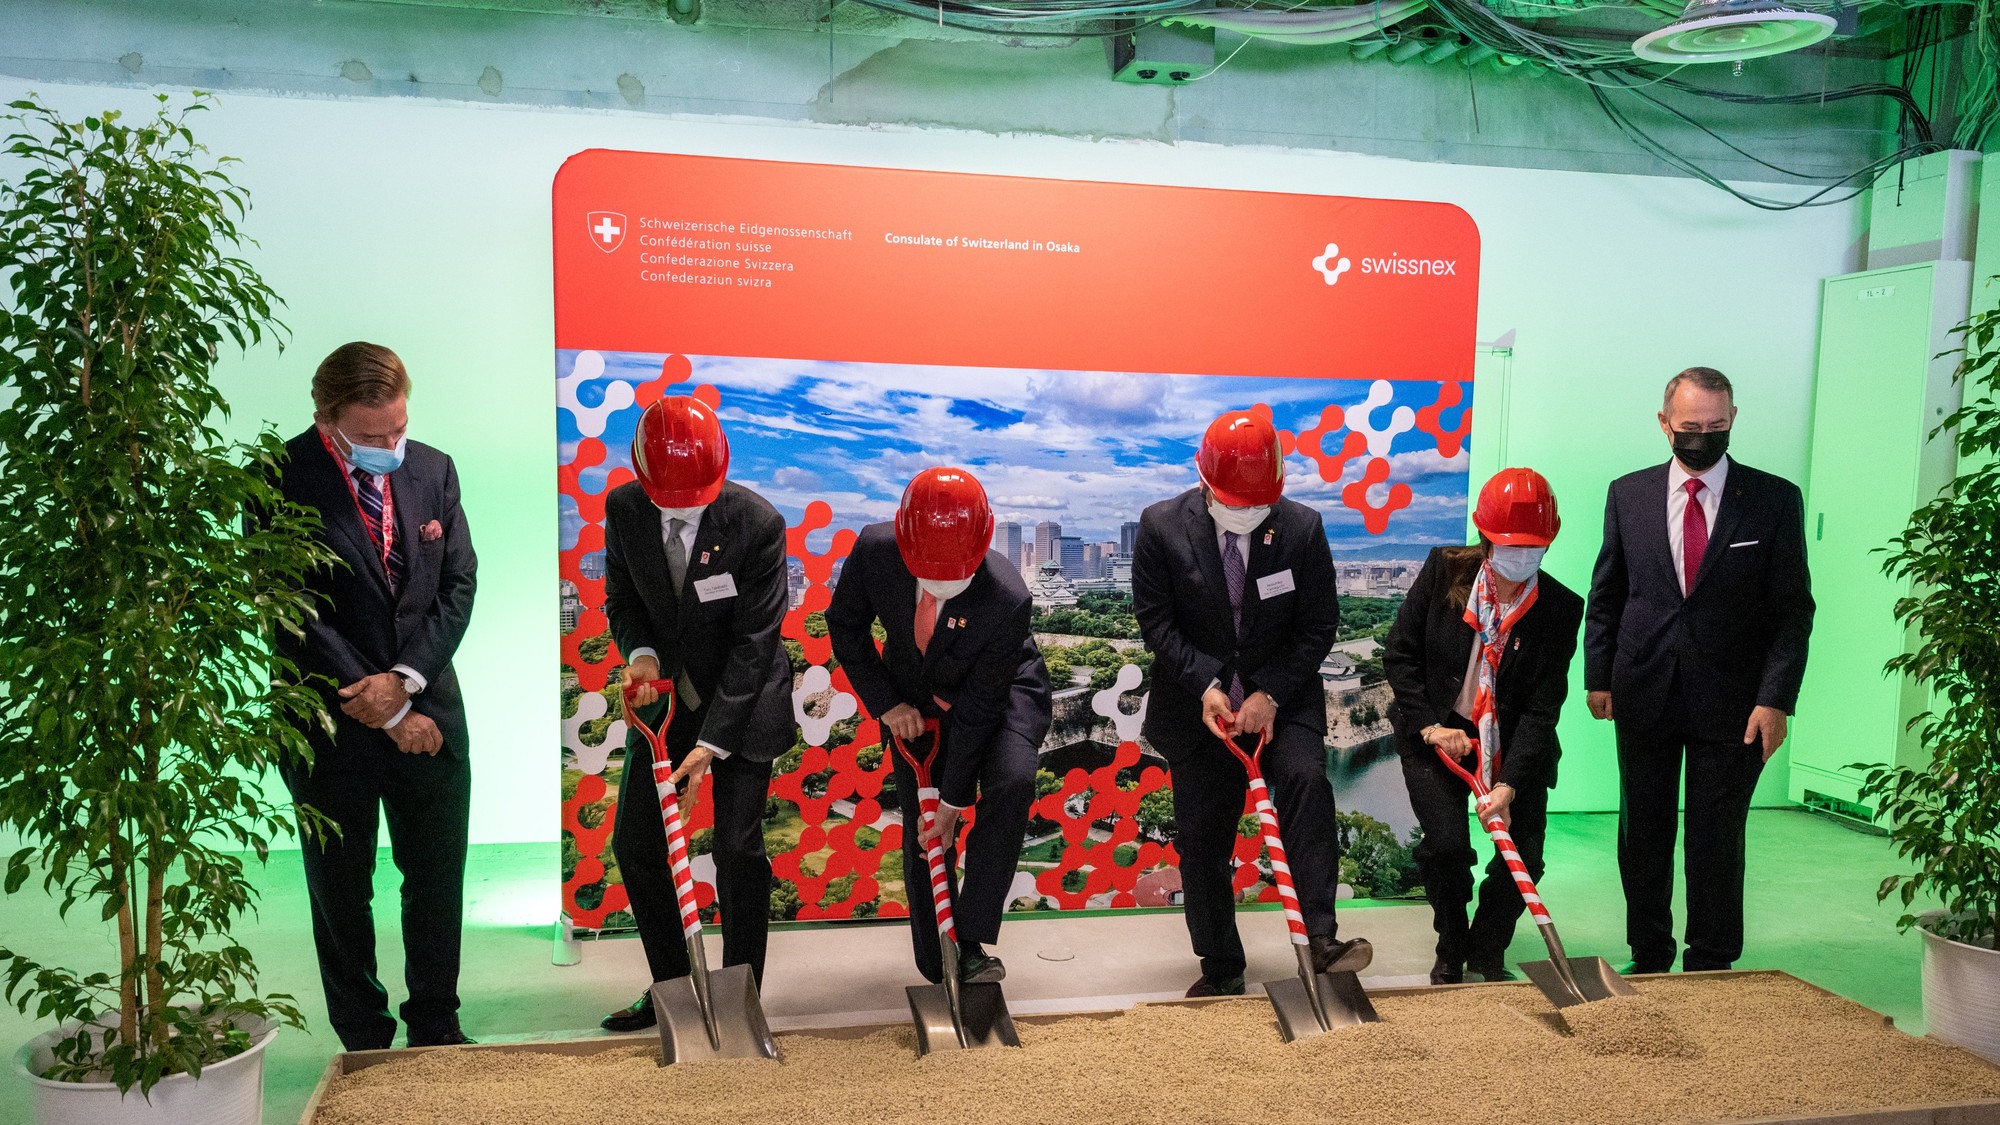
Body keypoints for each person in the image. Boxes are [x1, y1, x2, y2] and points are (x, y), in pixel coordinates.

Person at [274, 341, 478, 1050]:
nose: (390, 444)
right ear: (324, 416)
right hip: (329, 722)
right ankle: (363, 1036)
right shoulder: (276, 477)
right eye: (369, 436)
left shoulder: (435, 469)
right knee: (340, 887)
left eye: (398, 427)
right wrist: (386, 707)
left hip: (432, 712)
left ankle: (437, 1024)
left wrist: (410, 683)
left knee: (435, 874)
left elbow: (457, 588)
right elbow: (290, 610)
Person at [1131, 409, 1370, 997]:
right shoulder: (1161, 526)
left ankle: (1321, 940)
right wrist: (1208, 686)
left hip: (1281, 703)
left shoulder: (1302, 528)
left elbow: (1319, 625)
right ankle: (1220, 965)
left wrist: (1269, 693)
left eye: (1257, 502)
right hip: (1198, 708)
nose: (1245, 512)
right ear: (1205, 480)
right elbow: (1156, 623)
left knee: (1307, 789)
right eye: (1233, 500)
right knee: (1204, 839)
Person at [1585, 366, 1814, 973]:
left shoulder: (1773, 500)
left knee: (1717, 837)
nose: (1703, 436)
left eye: (1716, 425)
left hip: (1736, 702)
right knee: (1644, 834)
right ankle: (1649, 952)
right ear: (1664, 425)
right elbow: (1607, 594)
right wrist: (1598, 677)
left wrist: (1777, 699)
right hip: (1644, 689)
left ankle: (1712, 960)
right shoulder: (1627, 494)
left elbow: (1794, 613)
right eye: (1690, 426)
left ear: (1733, 419)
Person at [598, 396, 794, 1033]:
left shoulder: (758, 522)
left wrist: (711, 745)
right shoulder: (625, 508)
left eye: (695, 498)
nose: (682, 510)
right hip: (664, 704)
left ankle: (741, 999)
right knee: (637, 843)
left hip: (743, 702)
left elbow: (754, 643)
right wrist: (644, 656)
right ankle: (673, 992)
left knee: (736, 848)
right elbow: (622, 599)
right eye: (668, 499)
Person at [826, 467, 1051, 985]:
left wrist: (954, 800)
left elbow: (978, 710)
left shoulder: (1007, 596)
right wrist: (886, 704)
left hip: (1001, 692)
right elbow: (846, 626)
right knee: (924, 832)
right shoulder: (875, 551)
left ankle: (970, 938)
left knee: (1011, 781)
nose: (941, 585)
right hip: (911, 694)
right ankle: (939, 961)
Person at [1385, 468, 1583, 985]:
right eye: (1509, 544)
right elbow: (1400, 654)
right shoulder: (1444, 571)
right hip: (1437, 735)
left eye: (1533, 546)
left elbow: (1544, 707)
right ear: (1485, 536)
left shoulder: (1561, 608)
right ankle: (1451, 945)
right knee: (1448, 849)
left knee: (1526, 859)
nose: (1520, 556)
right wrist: (1429, 725)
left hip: (1515, 743)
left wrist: (1511, 782)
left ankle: (1487, 945)